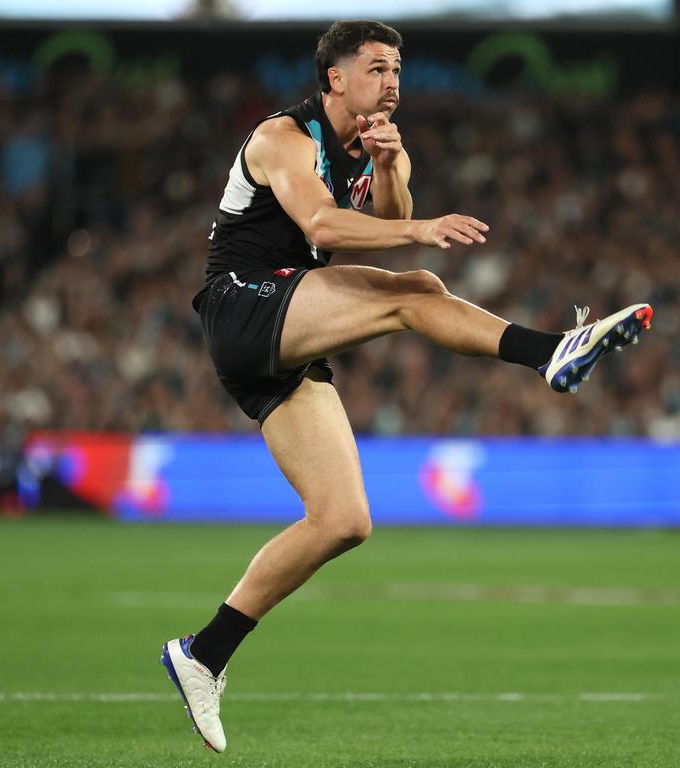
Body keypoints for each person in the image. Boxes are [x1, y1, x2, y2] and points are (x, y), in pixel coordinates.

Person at [160, 20, 653, 752]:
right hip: (245, 300)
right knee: (414, 289)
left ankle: (203, 653)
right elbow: (326, 221)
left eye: (398, 70)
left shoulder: (377, 143)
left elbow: (380, 219)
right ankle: (553, 350)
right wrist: (421, 228)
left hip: (286, 322)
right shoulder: (283, 137)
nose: (392, 82)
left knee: (343, 520)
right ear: (335, 78)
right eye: (377, 68)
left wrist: (392, 173)